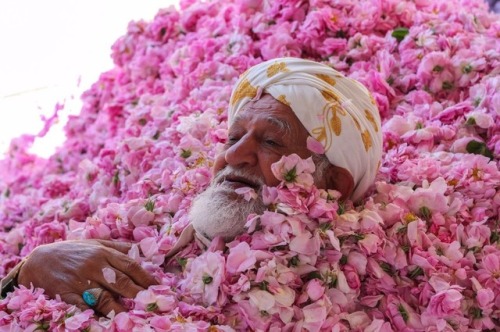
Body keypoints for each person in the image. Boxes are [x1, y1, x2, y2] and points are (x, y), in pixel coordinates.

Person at [0, 57, 383, 316]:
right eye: (233, 137)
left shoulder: (336, 303)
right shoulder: (148, 222)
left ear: (333, 184)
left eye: (270, 143)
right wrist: (29, 270)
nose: (234, 157)